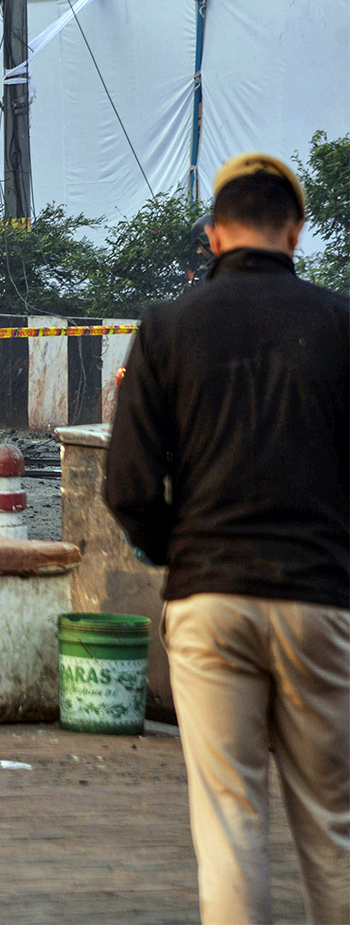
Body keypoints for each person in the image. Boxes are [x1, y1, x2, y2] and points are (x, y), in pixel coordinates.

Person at [105, 152, 348, 924]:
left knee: (231, 820)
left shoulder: (169, 326)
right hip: (321, 601)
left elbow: (128, 486)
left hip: (208, 600)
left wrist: (181, 551)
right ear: (297, 233)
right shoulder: (341, 324)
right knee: (334, 826)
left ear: (212, 236)